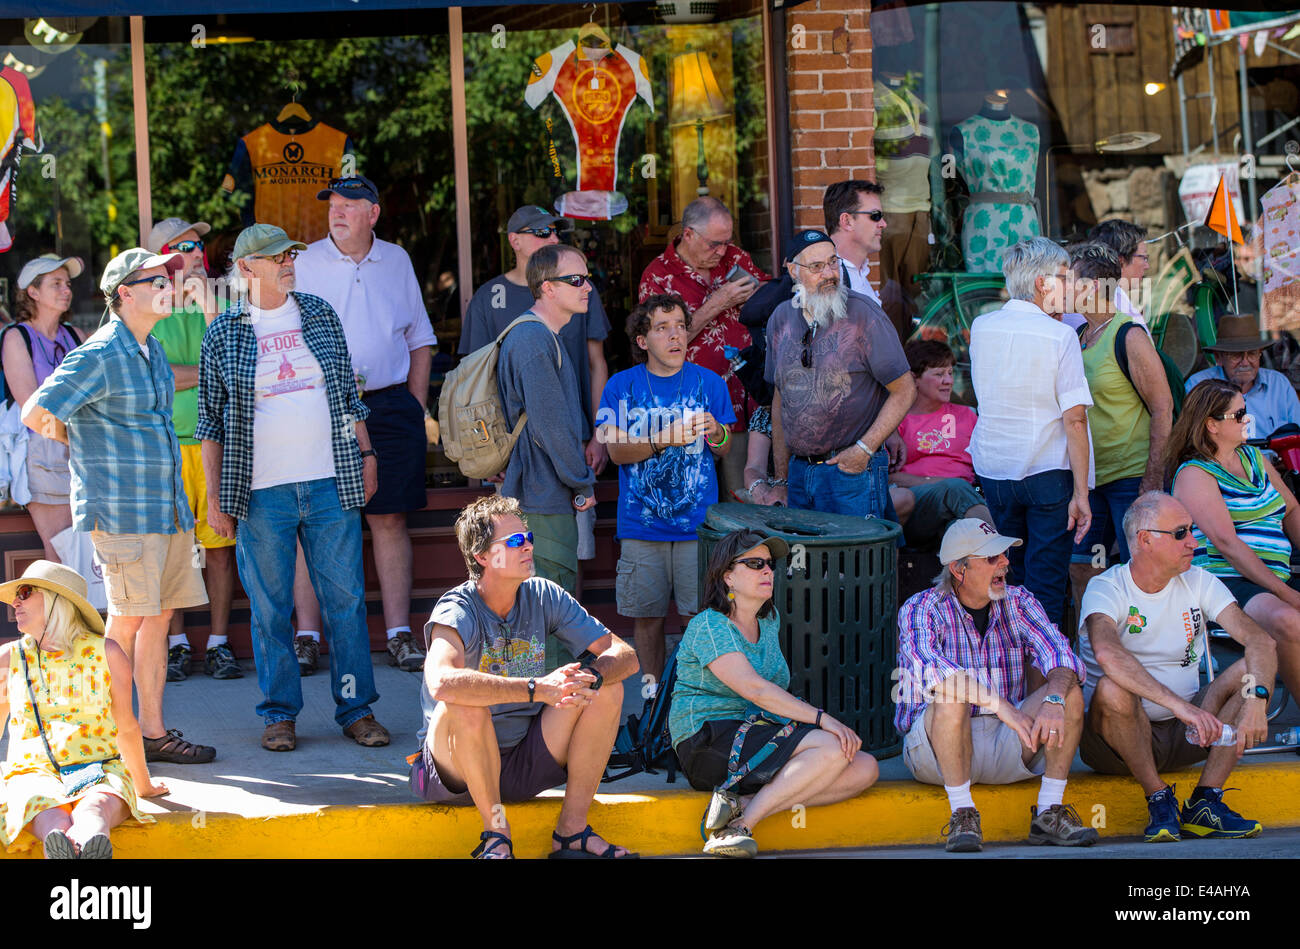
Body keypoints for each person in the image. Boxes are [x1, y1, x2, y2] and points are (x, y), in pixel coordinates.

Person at [197, 223, 389, 753]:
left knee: (346, 601)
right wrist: (216, 500)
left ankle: (356, 709)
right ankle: (279, 714)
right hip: (259, 492)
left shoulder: (319, 313)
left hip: (330, 481)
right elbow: (210, 424)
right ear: (245, 268)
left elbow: (349, 395)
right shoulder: (224, 333)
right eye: (274, 256)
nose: (287, 262)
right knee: (269, 607)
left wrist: (368, 453)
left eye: (290, 254)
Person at [24, 247, 216, 766]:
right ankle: (108, 736)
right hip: (121, 511)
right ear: (125, 294)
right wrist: (90, 449)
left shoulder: (150, 348)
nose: (170, 287)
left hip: (166, 508)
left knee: (157, 616)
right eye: (158, 279)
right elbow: (35, 411)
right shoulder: (100, 352)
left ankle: (150, 735)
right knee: (129, 620)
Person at [415, 494, 639, 859]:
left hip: (524, 760)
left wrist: (592, 677)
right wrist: (537, 689)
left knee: (605, 690)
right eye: (515, 541)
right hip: (455, 770)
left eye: (529, 537)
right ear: (483, 557)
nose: (528, 546)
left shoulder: (543, 594)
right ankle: (496, 835)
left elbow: (625, 656)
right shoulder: (457, 607)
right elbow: (441, 681)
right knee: (464, 702)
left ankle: (572, 831)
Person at [294, 175, 437, 673]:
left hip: (389, 404)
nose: (338, 211)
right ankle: (308, 635)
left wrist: (414, 408)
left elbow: (421, 338)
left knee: (390, 517)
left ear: (373, 213)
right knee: (315, 522)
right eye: (333, 203)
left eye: (350, 204)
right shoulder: (304, 262)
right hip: (320, 407)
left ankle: (399, 634)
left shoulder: (396, 259)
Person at [670, 530, 879, 858]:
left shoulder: (768, 621)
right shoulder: (710, 625)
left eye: (769, 564)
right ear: (728, 577)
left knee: (865, 767)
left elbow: (769, 694)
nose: (767, 571)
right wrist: (822, 720)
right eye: (754, 564)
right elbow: (754, 688)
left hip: (756, 733)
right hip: (707, 741)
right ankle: (739, 828)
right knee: (831, 745)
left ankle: (743, 804)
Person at [1078, 491, 1274, 841]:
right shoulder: (1106, 586)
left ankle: (1206, 802)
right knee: (1112, 688)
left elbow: (1259, 641)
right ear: (1146, 540)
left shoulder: (1198, 579)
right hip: (1116, 744)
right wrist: (1183, 708)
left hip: (1189, 734)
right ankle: (1158, 797)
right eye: (1181, 532)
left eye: (1192, 531)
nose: (1193, 542)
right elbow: (1108, 654)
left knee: (1250, 669)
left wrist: (1257, 700)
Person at [896, 518, 1097, 852]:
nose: (1005, 562)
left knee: (1067, 691)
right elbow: (931, 671)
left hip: (1010, 741)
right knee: (950, 695)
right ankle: (962, 813)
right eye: (992, 558)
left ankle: (1049, 811)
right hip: (937, 750)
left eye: (1004, 554)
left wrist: (1054, 698)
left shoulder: (1019, 601)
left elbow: (1061, 653)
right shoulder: (921, 607)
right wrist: (1002, 706)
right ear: (959, 570)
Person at [597, 293, 734, 682]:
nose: (676, 336)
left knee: (698, 619)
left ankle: (692, 698)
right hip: (642, 526)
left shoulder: (709, 383)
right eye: (662, 328)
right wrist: (663, 438)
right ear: (642, 341)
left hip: (697, 526)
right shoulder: (620, 386)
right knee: (648, 620)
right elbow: (616, 452)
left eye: (680, 327)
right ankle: (652, 698)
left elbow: (725, 451)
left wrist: (718, 432)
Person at [0, 561, 167, 858]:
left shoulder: (107, 652)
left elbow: (126, 725)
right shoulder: (9, 659)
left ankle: (84, 839)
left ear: (56, 601)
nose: (15, 602)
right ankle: (71, 842)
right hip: (32, 772)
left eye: (25, 592)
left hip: (98, 767)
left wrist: (143, 785)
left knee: (96, 805)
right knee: (47, 808)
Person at [970, 236, 1093, 631]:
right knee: (1044, 582)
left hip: (994, 469)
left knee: (1007, 575)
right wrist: (1082, 491)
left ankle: (1015, 675)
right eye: (1064, 278)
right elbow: (1075, 420)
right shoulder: (1060, 336)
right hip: (1046, 472)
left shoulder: (982, 325)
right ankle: (1045, 683)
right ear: (1042, 283)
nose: (1070, 287)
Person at [145, 217, 242, 683]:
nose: (197, 251)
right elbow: (157, 377)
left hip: (215, 444)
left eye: (199, 243)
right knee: (174, 552)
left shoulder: (220, 301)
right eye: (185, 245)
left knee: (220, 546)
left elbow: (227, 363)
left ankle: (220, 644)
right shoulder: (149, 306)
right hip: (165, 446)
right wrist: (204, 371)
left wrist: (205, 302)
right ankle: (177, 643)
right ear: (164, 258)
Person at [1168, 378, 1300, 718]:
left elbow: (1292, 510)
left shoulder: (1255, 458)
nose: (1247, 420)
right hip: (1228, 581)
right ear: (1212, 424)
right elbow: (1228, 545)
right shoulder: (1194, 473)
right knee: (1288, 620)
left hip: (1275, 577)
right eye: (1239, 414)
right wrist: (1287, 593)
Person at [764, 229, 914, 517]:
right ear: (794, 271)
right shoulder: (780, 319)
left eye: (833, 262)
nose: (829, 273)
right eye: (817, 267)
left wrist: (864, 450)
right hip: (799, 473)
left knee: (858, 560)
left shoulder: (864, 315)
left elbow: (904, 389)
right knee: (806, 561)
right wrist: (782, 479)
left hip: (852, 471)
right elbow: (781, 400)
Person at [460, 205, 611, 480]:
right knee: (515, 525)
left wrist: (601, 435)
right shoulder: (488, 297)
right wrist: (485, 448)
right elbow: (473, 381)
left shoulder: (580, 290)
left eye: (556, 232)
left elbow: (596, 364)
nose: (553, 239)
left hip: (573, 441)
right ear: (514, 240)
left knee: (576, 522)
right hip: (510, 448)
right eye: (542, 232)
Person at [638, 197, 768, 499]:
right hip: (689, 414)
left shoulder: (735, 258)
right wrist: (718, 303)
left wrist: (758, 292)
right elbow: (656, 345)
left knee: (743, 506)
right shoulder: (658, 275)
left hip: (743, 403)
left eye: (727, 242)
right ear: (688, 234)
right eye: (714, 244)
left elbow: (769, 297)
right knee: (697, 508)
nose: (721, 251)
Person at [1067, 242, 1173, 607]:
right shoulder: (1079, 336)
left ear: (1094, 287)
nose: (1063, 288)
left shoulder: (1129, 335)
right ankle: (1091, 654)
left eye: (1070, 280)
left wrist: (1152, 479)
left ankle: (1147, 653)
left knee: (1142, 567)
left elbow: (1163, 408)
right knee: (1084, 567)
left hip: (1130, 477)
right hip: (1091, 480)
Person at [498, 242, 597, 601]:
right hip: (540, 500)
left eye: (588, 279)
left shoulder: (542, 336)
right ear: (547, 288)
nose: (588, 287)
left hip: (542, 496)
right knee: (548, 618)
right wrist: (582, 485)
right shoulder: (533, 339)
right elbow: (551, 429)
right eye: (576, 280)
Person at [3, 254, 86, 561]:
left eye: (67, 283)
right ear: (33, 292)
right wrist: (76, 436)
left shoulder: (75, 335)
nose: (66, 290)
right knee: (63, 558)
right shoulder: (17, 337)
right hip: (44, 452)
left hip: (82, 453)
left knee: (87, 558)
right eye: (56, 283)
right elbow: (32, 409)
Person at [889, 339, 992, 547]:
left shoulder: (967, 415)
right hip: (920, 505)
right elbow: (890, 475)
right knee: (954, 488)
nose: (948, 381)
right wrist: (937, 483)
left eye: (950, 373)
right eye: (938, 374)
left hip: (962, 502)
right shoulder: (896, 422)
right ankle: (998, 550)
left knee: (959, 529)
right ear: (914, 378)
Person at [1185, 313, 1300, 440]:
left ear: (1260, 354)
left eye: (1252, 354)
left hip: (1275, 459)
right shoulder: (1198, 385)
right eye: (1236, 355)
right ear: (1219, 357)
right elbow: (1191, 441)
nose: (1245, 362)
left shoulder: (1279, 385)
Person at [824, 178, 908, 339]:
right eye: (875, 216)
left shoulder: (858, 273)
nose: (883, 224)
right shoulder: (827, 279)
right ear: (847, 221)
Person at [1087, 218, 1151, 328]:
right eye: (1143, 257)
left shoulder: (1083, 298)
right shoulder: (1124, 313)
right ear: (1120, 261)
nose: (1147, 266)